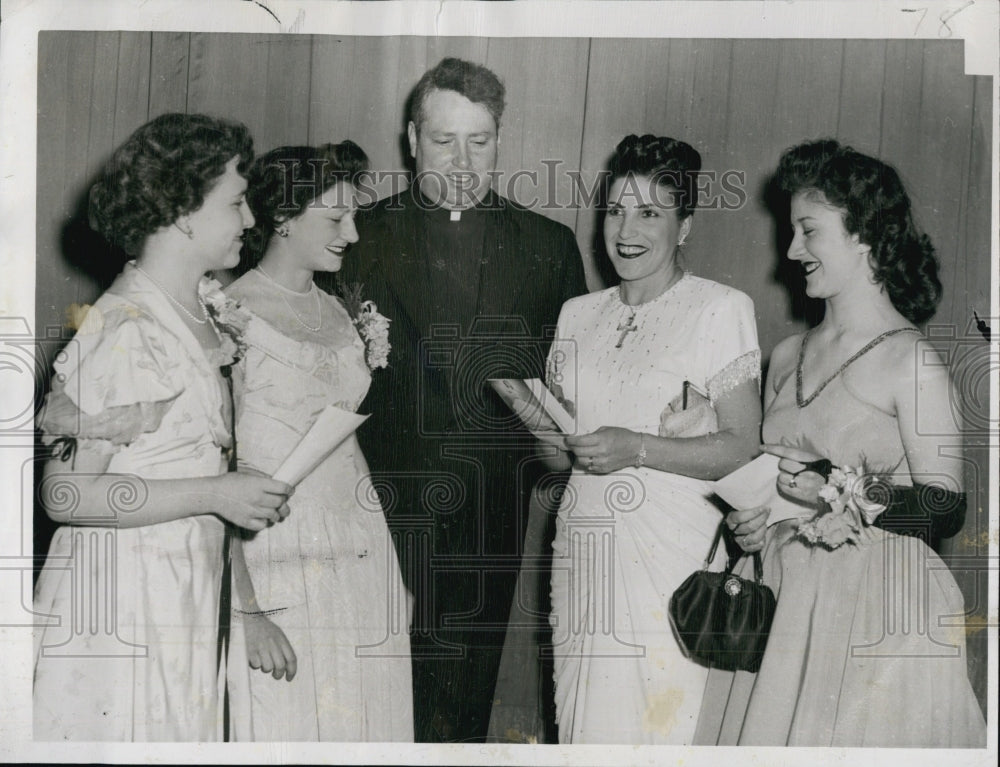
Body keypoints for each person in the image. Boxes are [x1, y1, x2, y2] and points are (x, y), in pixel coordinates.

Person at [696, 139, 986, 746]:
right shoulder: (786, 356)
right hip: (782, 599)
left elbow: (946, 507)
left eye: (809, 231)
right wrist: (751, 520)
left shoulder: (913, 362)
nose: (792, 249)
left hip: (874, 607)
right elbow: (773, 481)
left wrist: (836, 486)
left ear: (866, 236)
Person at [331, 57, 587, 742]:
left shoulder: (549, 246)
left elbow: (567, 398)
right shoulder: (353, 238)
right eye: (445, 140)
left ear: (500, 139)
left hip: (487, 520)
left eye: (481, 140)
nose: (464, 160)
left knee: (462, 712)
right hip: (370, 513)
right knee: (371, 700)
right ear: (413, 140)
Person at [33, 112, 293, 741]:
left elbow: (201, 467)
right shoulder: (127, 330)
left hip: (185, 592)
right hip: (122, 600)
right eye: (237, 203)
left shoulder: (199, 309)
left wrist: (234, 505)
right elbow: (64, 493)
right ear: (183, 210)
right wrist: (214, 493)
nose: (252, 221)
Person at [542, 134, 762, 744]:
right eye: (616, 211)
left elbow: (743, 446)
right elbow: (555, 456)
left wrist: (636, 447)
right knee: (582, 726)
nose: (626, 230)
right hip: (583, 544)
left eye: (649, 213)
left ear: (684, 226)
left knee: (656, 728)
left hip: (670, 558)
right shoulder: (576, 314)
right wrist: (541, 425)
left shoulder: (720, 309)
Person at [223, 142, 413, 741]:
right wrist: (244, 609)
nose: (353, 234)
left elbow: (347, 445)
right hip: (275, 550)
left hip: (359, 544)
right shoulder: (227, 314)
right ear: (281, 218)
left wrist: (391, 574)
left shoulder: (338, 309)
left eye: (352, 215)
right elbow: (219, 469)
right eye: (335, 219)